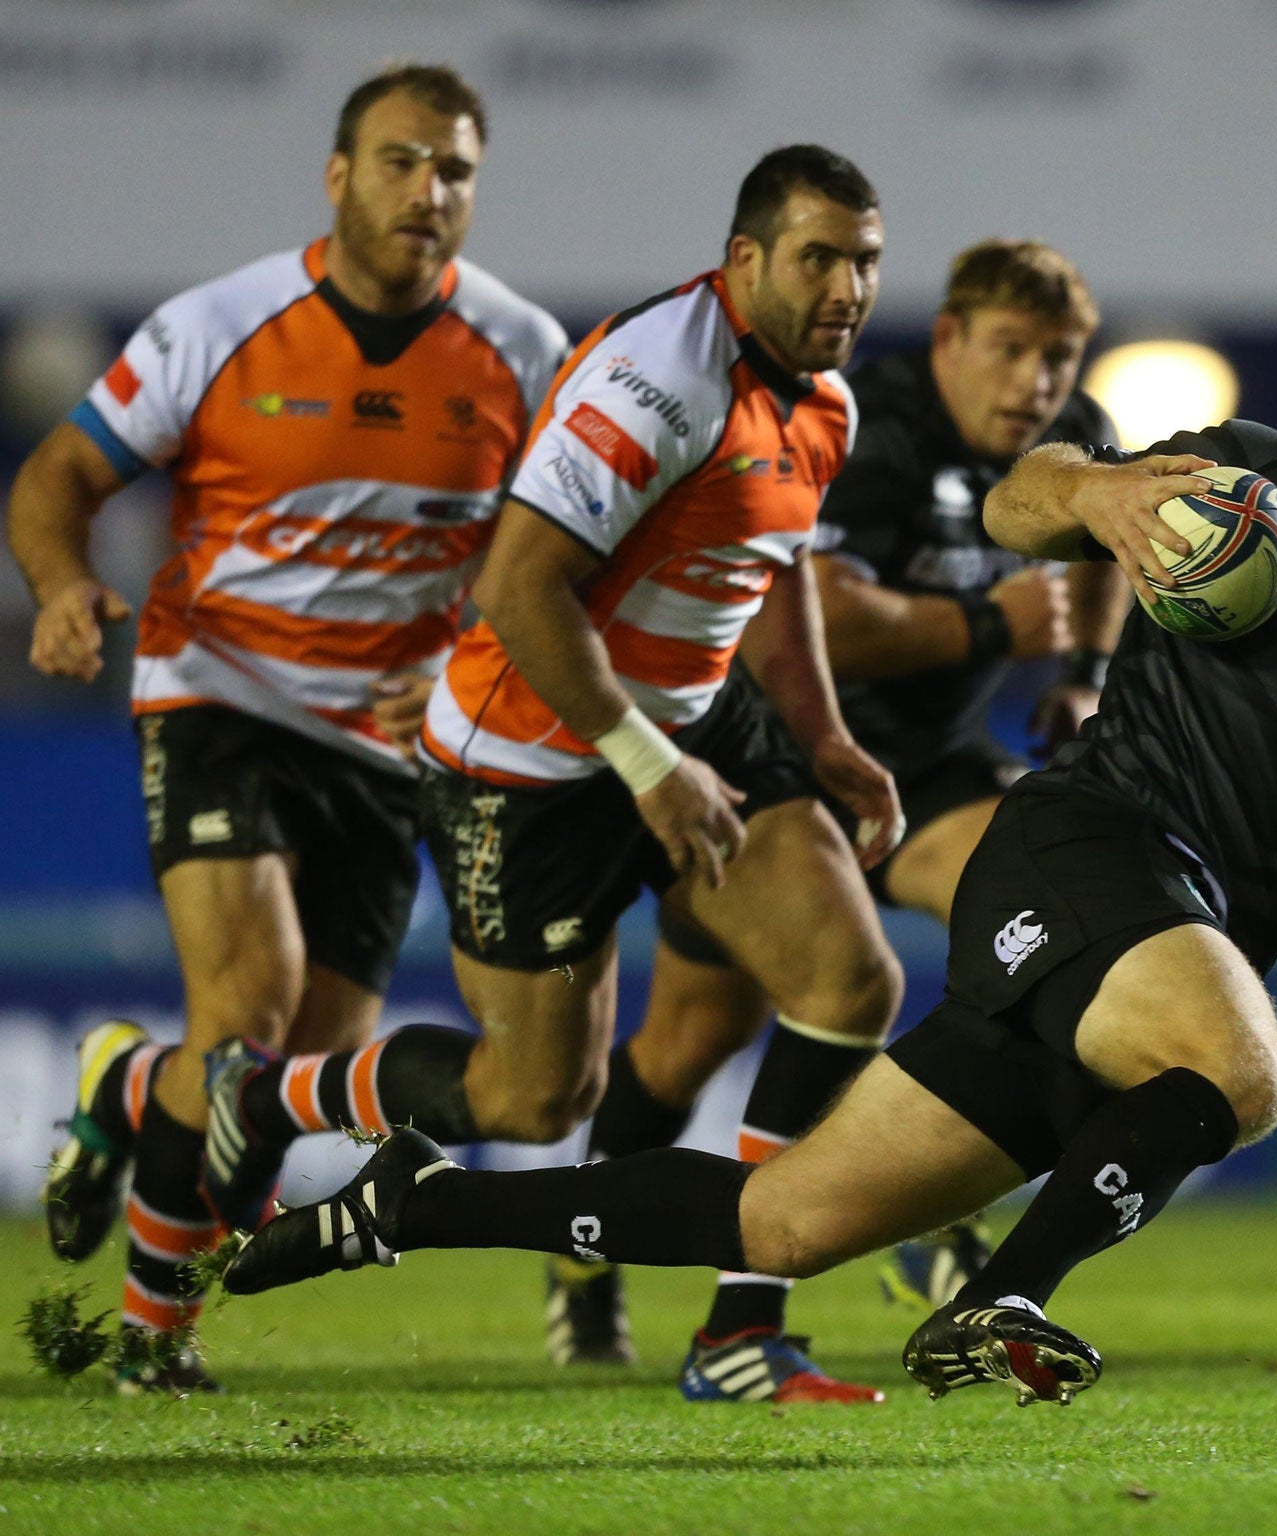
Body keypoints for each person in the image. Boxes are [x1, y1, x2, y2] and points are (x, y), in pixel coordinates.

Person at [221, 346, 1277, 1407]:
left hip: (1137, 949)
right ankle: (1007, 1298)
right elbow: (1031, 488)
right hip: (1088, 849)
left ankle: (414, 1204)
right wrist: (1109, 498)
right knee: (1246, 1070)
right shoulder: (1272, 482)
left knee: (782, 1220)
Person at [202, 145, 909, 1405]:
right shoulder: (657, 380)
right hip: (533, 755)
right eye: (818, 256)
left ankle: (741, 1332)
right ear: (743, 258)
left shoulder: (823, 398)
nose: (847, 285)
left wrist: (824, 734)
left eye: (864, 258)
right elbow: (518, 587)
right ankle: (272, 1100)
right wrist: (644, 765)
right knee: (530, 1100)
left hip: (692, 727)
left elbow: (774, 567)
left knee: (847, 979)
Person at [8, 64, 565, 1393]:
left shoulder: (524, 352)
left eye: (454, 170)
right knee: (248, 1016)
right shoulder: (221, 325)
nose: (428, 192)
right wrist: (64, 583)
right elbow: (62, 473)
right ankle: (157, 1338)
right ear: (337, 174)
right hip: (223, 693)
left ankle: (128, 1086)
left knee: (284, 1078)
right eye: (400, 161)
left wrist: (460, 672)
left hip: (391, 745)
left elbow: (554, 560)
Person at [547, 238, 1124, 1372]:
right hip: (784, 769)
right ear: (951, 339)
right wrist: (993, 627)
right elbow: (815, 614)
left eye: (1056, 358)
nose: (1034, 383)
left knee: (1059, 928)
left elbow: (1099, 545)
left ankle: (932, 1210)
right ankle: (580, 1261)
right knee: (684, 1043)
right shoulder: (872, 426)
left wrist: (1083, 676)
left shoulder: (1075, 432)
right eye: (1009, 351)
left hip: (933, 776)